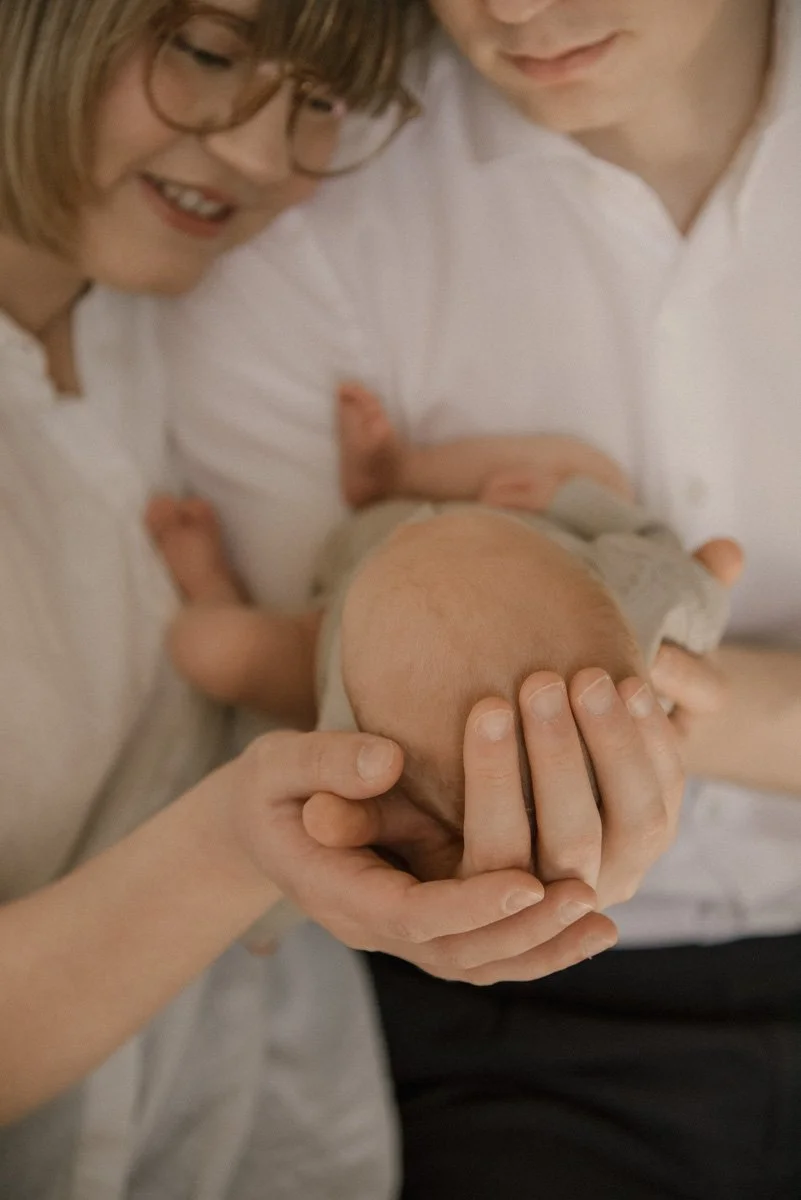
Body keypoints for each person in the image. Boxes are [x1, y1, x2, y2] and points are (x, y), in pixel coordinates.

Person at [163, 0, 801, 1195]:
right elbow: (319, 680)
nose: (510, 8)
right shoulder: (310, 200)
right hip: (511, 1033)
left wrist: (663, 710)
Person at [0, 2, 634, 1196]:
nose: (258, 156)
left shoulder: (193, 331)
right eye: (202, 52)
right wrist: (246, 841)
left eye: (321, 104)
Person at [148, 392, 733, 899]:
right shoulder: (643, 611)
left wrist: (272, 910)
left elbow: (314, 838)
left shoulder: (352, 743)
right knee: (593, 471)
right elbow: (693, 586)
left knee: (213, 650)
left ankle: (212, 588)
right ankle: (400, 471)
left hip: (328, 639)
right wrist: (707, 574)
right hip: (500, 514)